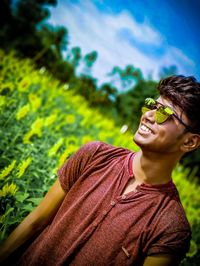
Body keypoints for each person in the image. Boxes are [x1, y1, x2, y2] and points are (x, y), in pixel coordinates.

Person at [0, 75, 200, 266]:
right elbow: (36, 221)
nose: (148, 115)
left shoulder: (170, 226)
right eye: (151, 105)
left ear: (190, 141)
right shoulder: (94, 156)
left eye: (163, 113)